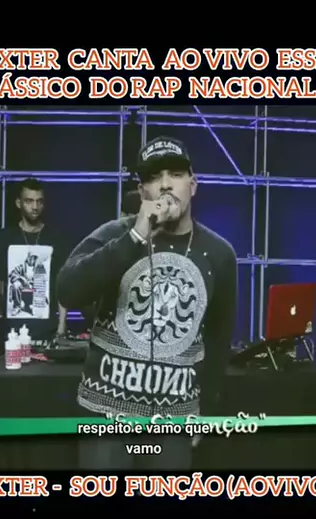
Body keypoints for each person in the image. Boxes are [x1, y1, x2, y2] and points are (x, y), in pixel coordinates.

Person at [57, 136, 238, 469]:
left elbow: (218, 339)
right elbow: (68, 291)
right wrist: (135, 238)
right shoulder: (115, 235)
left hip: (175, 421)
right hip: (106, 415)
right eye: (154, 178)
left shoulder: (219, 253)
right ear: (143, 193)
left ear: (193, 185)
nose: (166, 185)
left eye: (176, 174)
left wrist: (208, 411)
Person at [0, 178, 68, 346]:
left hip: (47, 329)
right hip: (11, 330)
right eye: (29, 201)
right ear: (19, 203)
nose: (35, 207)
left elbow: (62, 284)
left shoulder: (57, 239)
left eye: (39, 201)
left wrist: (62, 325)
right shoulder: (3, 239)